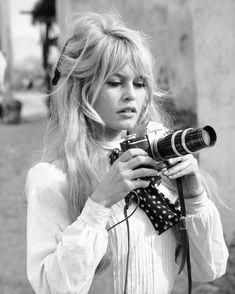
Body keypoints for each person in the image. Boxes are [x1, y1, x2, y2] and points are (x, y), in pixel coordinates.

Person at [25, 13, 228, 294]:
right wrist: (98, 204)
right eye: (114, 82)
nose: (130, 95)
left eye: (140, 83)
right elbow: (50, 288)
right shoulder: (52, 179)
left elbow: (211, 269)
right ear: (83, 89)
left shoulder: (161, 160)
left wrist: (195, 196)